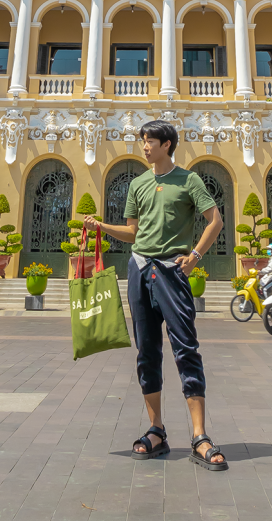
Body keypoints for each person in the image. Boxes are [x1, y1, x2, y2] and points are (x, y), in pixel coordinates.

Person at [83, 119, 228, 471]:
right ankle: (157, 430)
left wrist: (194, 257)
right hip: (139, 270)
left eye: (150, 141)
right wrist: (101, 226)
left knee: (185, 347)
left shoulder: (189, 180)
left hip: (172, 271)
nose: (144, 146)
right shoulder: (138, 183)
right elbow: (132, 232)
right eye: (143, 141)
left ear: (167, 145)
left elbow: (215, 220)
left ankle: (199, 436)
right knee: (146, 350)